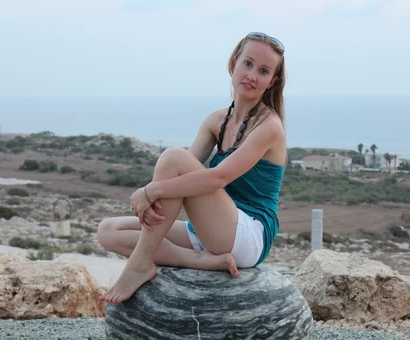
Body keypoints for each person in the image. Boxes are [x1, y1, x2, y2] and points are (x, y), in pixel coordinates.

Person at [97, 32, 287, 304]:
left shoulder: (269, 127)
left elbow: (216, 177)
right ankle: (199, 260)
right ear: (233, 63)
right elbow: (181, 174)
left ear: (272, 82)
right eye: (247, 63)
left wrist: (150, 192)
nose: (252, 75)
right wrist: (153, 193)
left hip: (248, 234)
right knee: (108, 231)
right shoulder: (217, 121)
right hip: (212, 231)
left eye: (264, 71)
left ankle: (138, 265)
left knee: (174, 157)